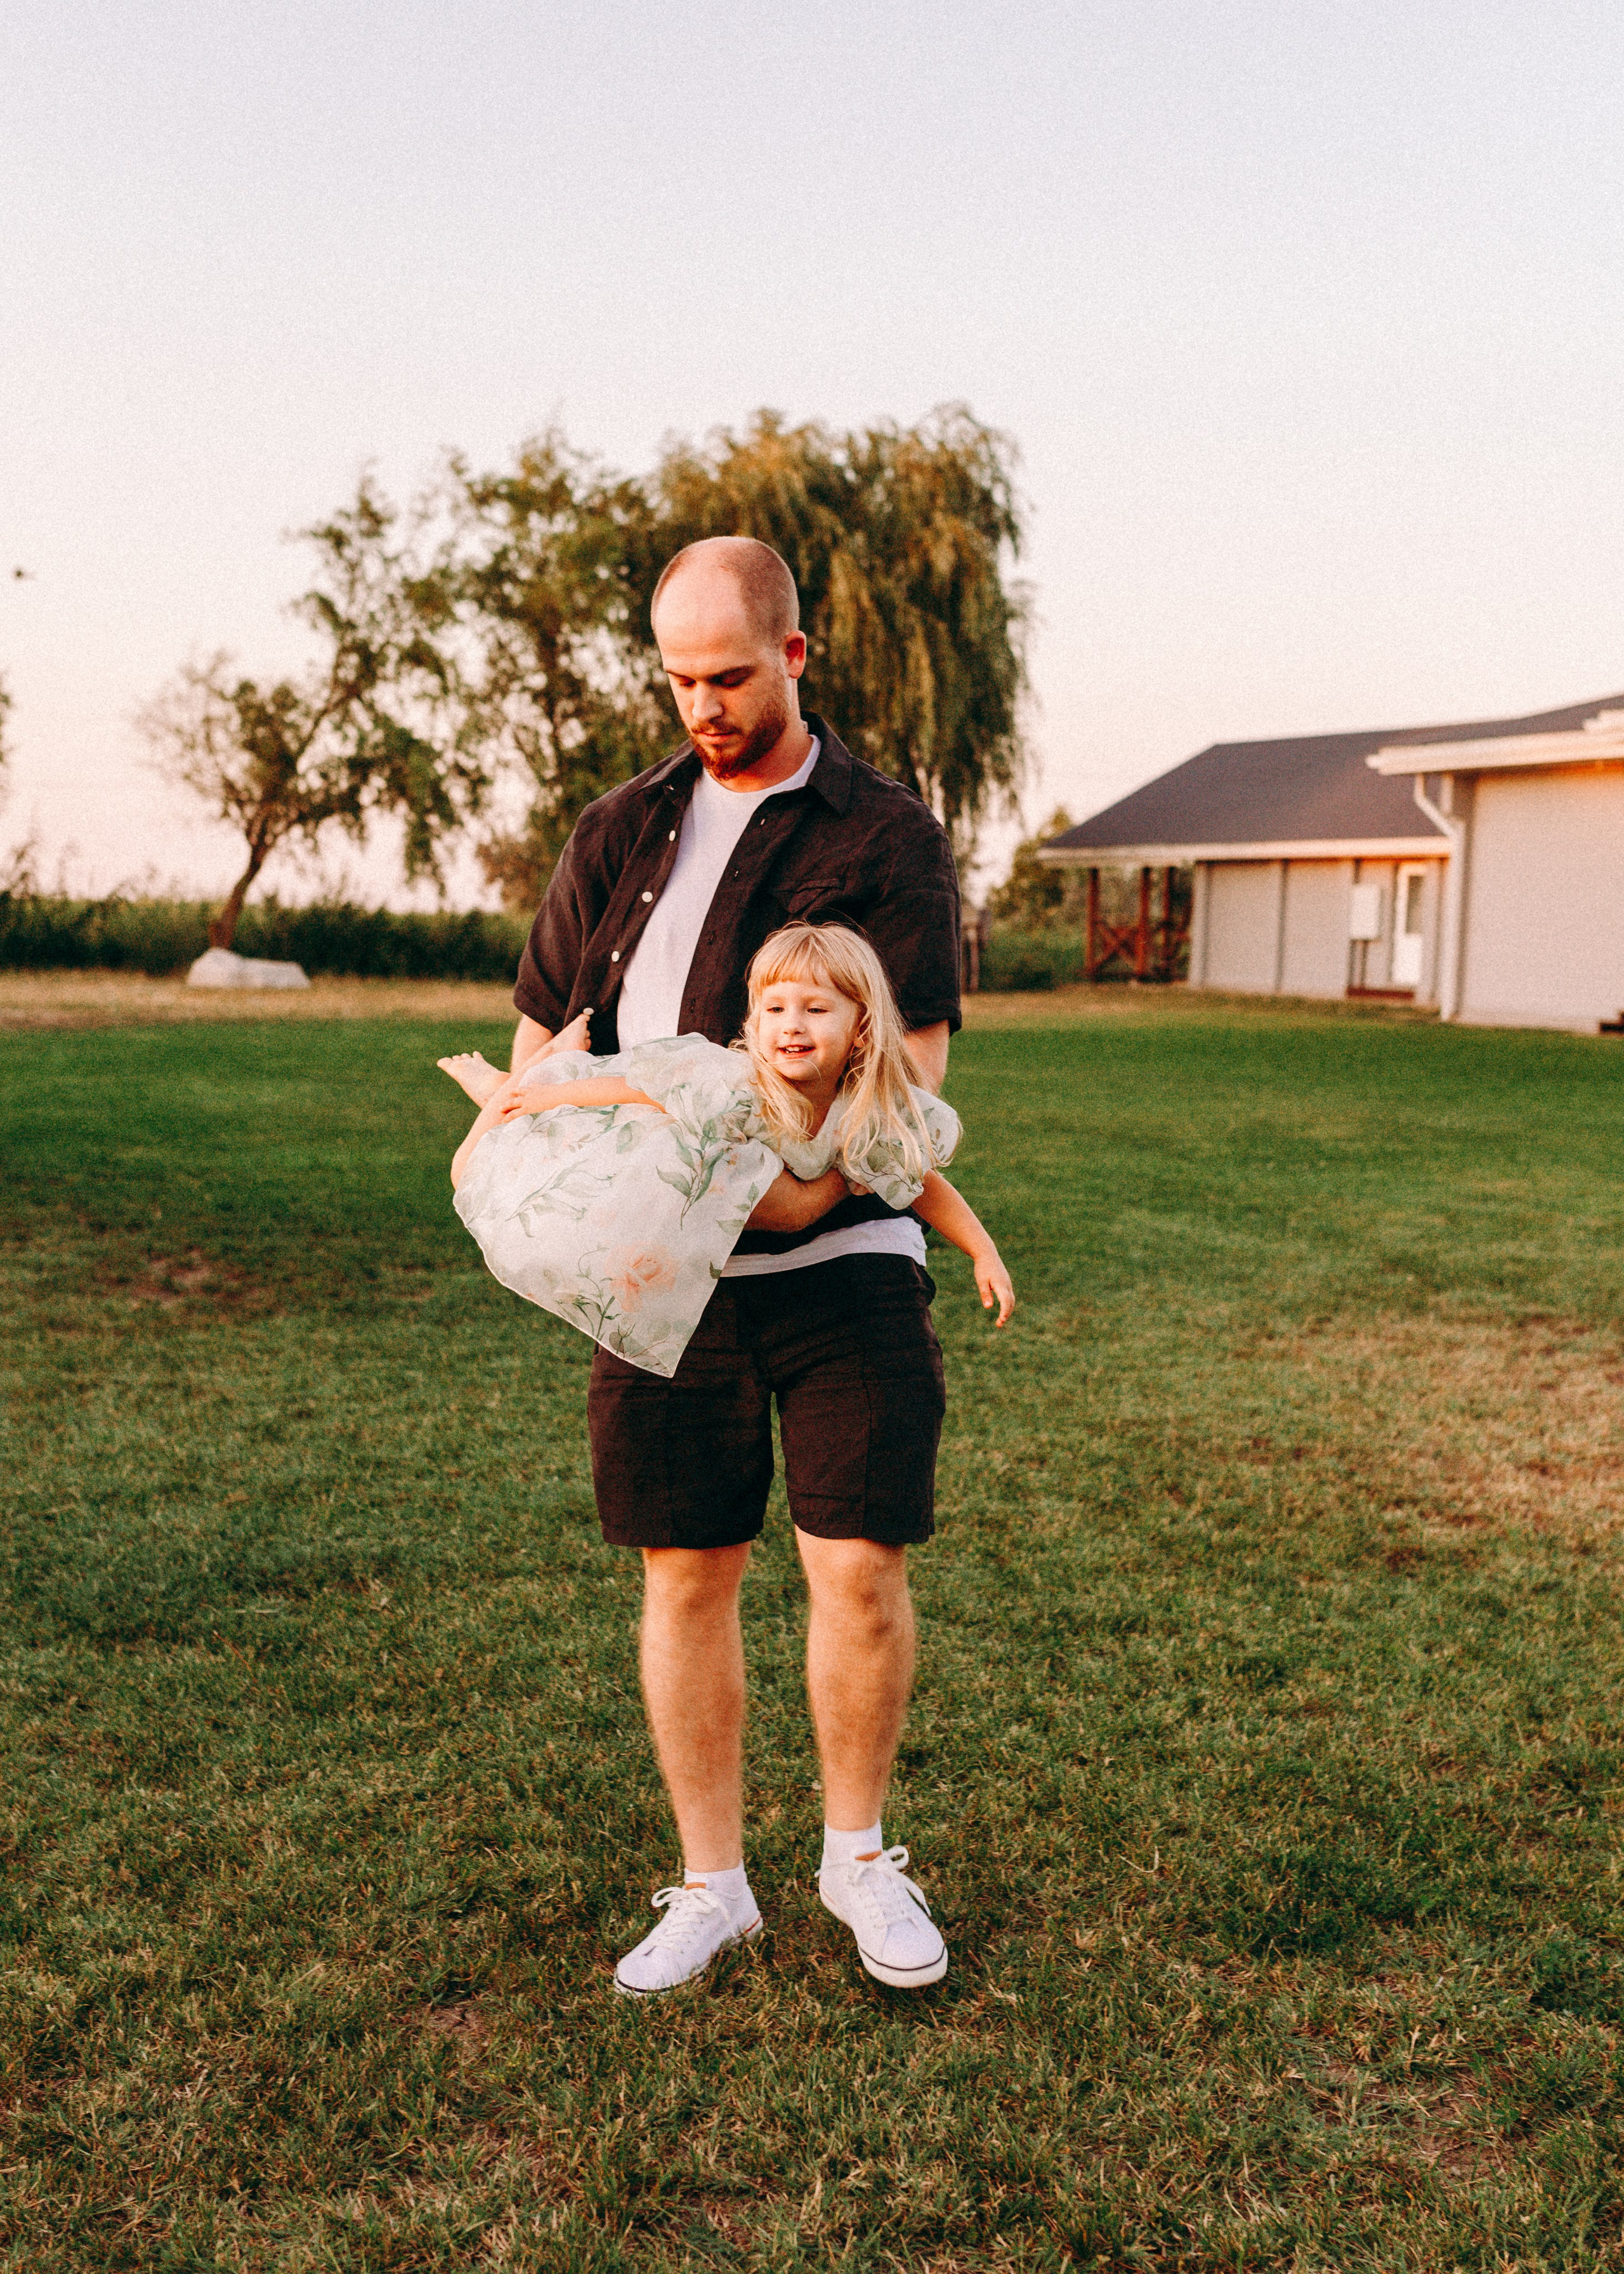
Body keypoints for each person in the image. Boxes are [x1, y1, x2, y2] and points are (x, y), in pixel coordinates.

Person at [493, 534, 978, 1995]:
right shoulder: (618, 829)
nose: (701, 705)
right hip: (660, 1279)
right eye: (676, 679)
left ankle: (857, 1858)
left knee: (859, 1566)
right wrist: (578, 1165)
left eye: (727, 674)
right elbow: (537, 1048)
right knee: (683, 1573)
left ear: (794, 656)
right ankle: (711, 1886)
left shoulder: (879, 833)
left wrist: (753, 1182)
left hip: (842, 1270)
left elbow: (909, 1076)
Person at [439, 922, 1012, 1377]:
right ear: (755, 1022)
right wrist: (552, 1097)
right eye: (774, 1009)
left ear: (861, 1027)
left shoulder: (867, 1111)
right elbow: (637, 1091)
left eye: (815, 1009)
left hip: (715, 1169)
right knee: (480, 1167)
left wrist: (982, 1252)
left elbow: (923, 1184)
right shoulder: (735, 1084)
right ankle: (512, 1085)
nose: (792, 1025)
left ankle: (531, 1085)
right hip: (636, 1127)